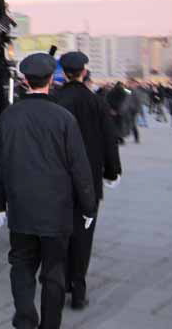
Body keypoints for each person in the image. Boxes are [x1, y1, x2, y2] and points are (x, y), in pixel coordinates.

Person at [0, 53, 96, 329]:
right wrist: (88, 207)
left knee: (21, 266)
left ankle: (25, 319)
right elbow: (79, 168)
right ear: (51, 79)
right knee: (54, 271)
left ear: (24, 80)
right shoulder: (64, 118)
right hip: (57, 210)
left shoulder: (8, 116)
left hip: (22, 208)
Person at [56, 52, 121, 310]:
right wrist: (112, 171)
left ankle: (59, 284)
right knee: (84, 234)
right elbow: (109, 140)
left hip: (60, 180)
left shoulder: (56, 100)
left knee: (60, 234)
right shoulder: (97, 102)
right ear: (83, 72)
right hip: (89, 181)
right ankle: (79, 289)